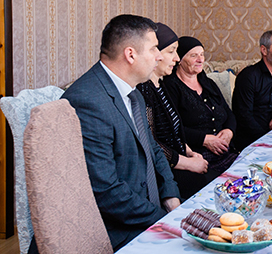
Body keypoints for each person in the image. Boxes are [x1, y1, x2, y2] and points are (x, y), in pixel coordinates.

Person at [61, 14, 180, 250]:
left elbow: (153, 149)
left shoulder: (133, 92)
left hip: (146, 208)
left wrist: (170, 195)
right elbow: (106, 191)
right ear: (130, 54)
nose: (159, 56)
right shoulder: (88, 101)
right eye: (154, 48)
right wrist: (162, 219)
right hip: (116, 228)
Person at [137, 23, 211, 200]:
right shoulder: (144, 90)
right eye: (171, 51)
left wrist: (189, 152)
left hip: (181, 159)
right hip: (166, 172)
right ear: (155, 54)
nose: (177, 58)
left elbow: (174, 131)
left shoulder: (161, 85)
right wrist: (188, 163)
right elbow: (153, 143)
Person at [163, 36, 238, 181]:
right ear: (180, 59)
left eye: (202, 55)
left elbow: (229, 113)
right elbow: (172, 128)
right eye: (193, 56)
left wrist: (229, 131)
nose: (200, 60)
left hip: (226, 152)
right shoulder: (170, 87)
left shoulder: (208, 83)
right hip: (198, 158)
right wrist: (204, 140)